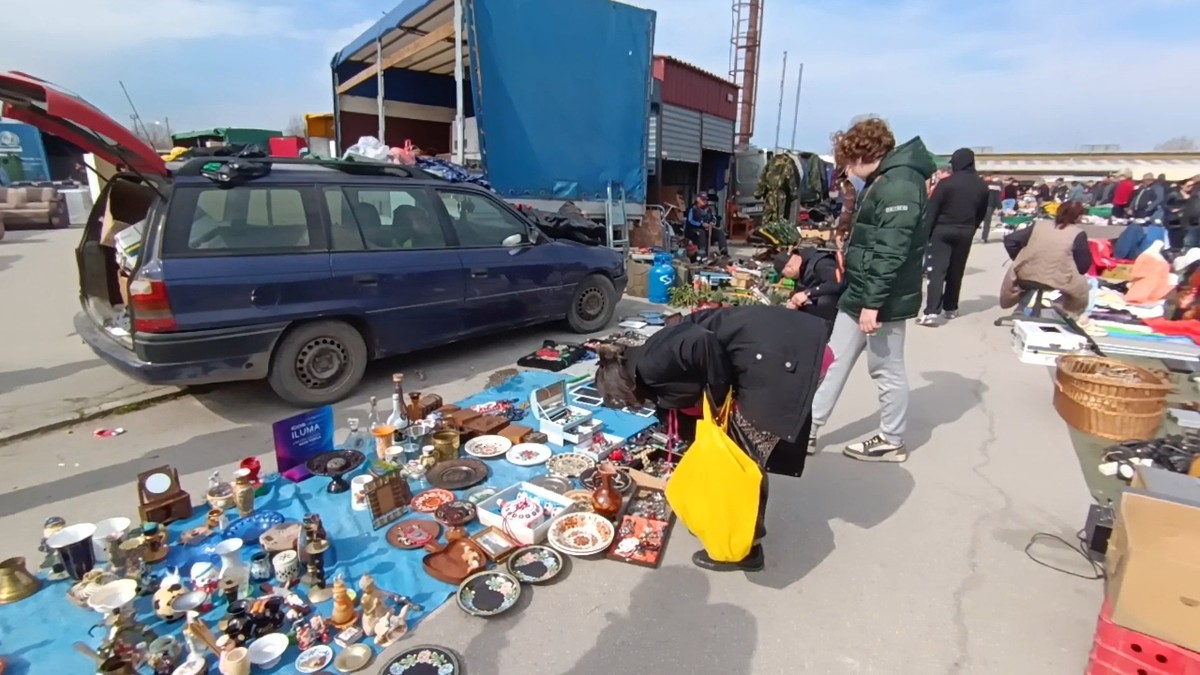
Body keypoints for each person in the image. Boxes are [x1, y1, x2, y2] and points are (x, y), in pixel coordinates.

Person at [593, 306, 832, 572]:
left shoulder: (652, 364)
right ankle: (728, 523)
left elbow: (700, 341)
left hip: (791, 362)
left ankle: (745, 549)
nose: (634, 405)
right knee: (738, 457)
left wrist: (718, 399)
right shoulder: (647, 354)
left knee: (741, 462)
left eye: (628, 401)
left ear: (627, 384)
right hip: (785, 348)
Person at [810, 116, 935, 463]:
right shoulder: (886, 181)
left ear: (864, 154)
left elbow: (891, 250)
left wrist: (873, 304)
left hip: (882, 298)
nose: (847, 170)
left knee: (886, 367)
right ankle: (808, 426)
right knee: (831, 360)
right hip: (862, 290)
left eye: (848, 162)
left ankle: (892, 439)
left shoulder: (899, 185)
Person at [1000, 200, 1096, 331]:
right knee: (1088, 285)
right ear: (1079, 217)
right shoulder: (1077, 233)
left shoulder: (1038, 225)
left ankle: (1020, 309)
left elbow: (1010, 240)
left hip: (1026, 272)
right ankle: (1059, 307)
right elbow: (1083, 266)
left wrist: (1019, 257)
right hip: (1056, 278)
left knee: (1034, 275)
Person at [919, 148, 990, 326]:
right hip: (965, 231)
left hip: (942, 230)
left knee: (936, 272)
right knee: (956, 271)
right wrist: (972, 228)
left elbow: (932, 210)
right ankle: (950, 308)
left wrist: (925, 234)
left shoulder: (946, 184)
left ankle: (932, 312)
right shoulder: (981, 186)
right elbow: (982, 212)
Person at [773, 234, 848, 338]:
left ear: (789, 267)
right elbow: (801, 292)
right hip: (818, 315)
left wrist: (807, 293)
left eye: (784, 275)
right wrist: (795, 303)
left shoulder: (820, 263)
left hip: (839, 308)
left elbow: (836, 284)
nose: (786, 278)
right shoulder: (802, 270)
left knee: (825, 301)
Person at [685, 194, 728, 258]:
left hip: (707, 229)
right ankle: (702, 254)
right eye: (703, 199)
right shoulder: (692, 209)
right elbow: (690, 220)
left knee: (720, 233)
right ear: (698, 199)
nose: (705, 201)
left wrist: (712, 223)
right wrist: (701, 224)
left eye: (705, 199)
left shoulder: (708, 209)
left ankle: (724, 252)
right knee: (701, 233)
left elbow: (713, 218)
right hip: (693, 229)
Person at [982, 176, 1002, 243]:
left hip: (980, 204)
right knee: (987, 222)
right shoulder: (996, 186)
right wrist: (999, 206)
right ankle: (984, 237)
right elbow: (997, 197)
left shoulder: (980, 184)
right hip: (990, 205)